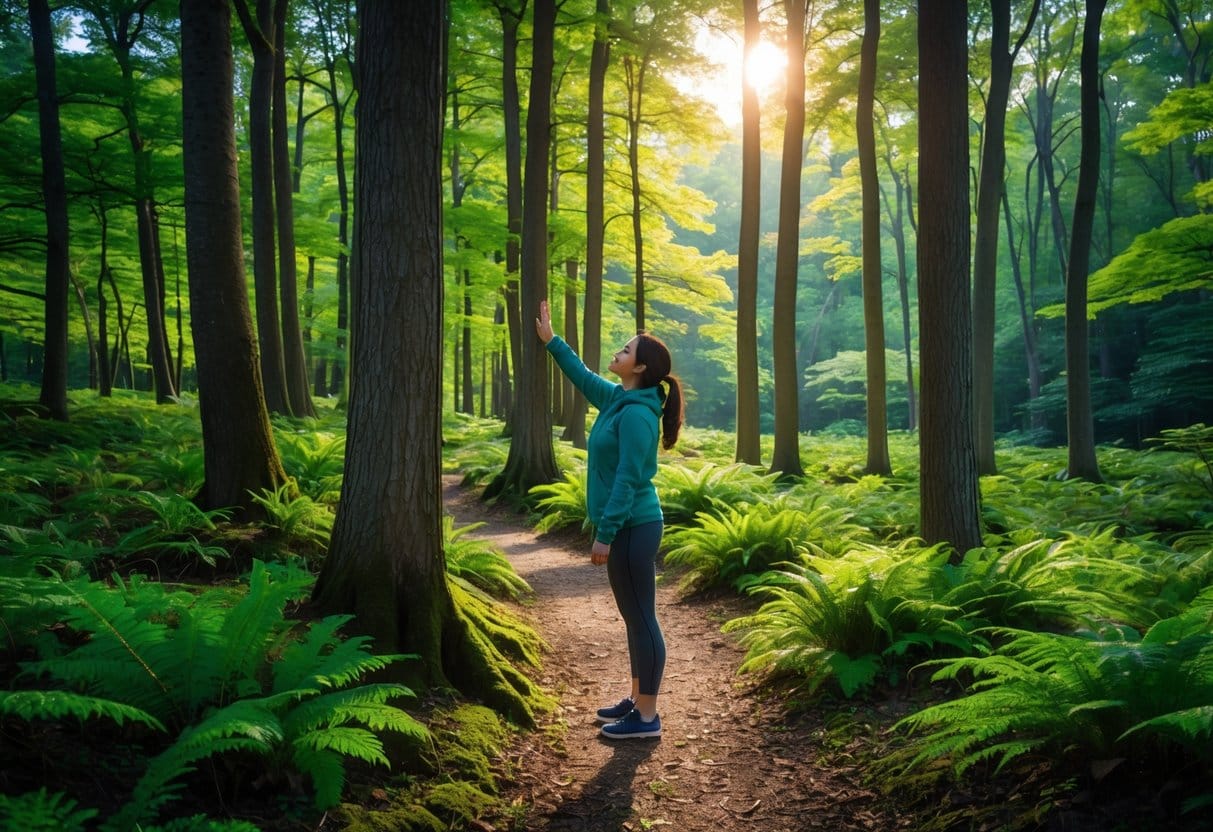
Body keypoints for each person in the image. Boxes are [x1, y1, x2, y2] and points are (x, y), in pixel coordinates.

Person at [535, 300, 684, 740]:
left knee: (643, 618)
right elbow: (582, 377)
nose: (617, 352)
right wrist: (552, 341)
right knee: (633, 617)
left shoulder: (638, 415)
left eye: (625, 349)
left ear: (639, 367)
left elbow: (627, 479)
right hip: (627, 528)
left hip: (634, 527)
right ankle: (638, 700)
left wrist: (605, 534)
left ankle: (647, 718)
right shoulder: (620, 399)